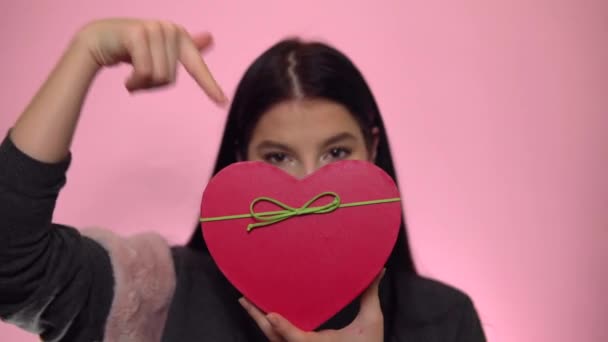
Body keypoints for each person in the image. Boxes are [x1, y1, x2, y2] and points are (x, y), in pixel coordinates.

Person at [0, 18, 486, 341]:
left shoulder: (445, 321)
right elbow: (11, 268)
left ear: (372, 150)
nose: (312, 186)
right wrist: (86, 53)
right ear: (242, 161)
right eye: (278, 157)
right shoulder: (157, 294)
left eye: (337, 152)